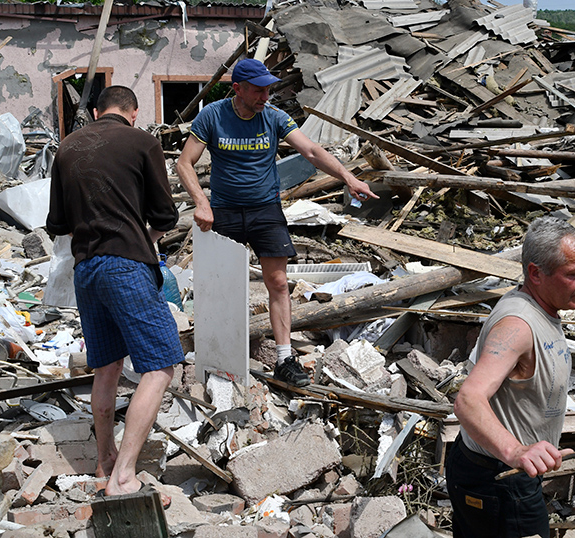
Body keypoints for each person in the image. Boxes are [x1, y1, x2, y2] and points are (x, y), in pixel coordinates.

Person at [176, 58, 377, 388]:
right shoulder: (212, 115)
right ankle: (219, 353)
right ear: (237, 89)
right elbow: (185, 163)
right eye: (258, 91)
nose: (265, 97)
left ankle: (285, 358)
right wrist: (201, 202)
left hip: (265, 209)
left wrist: (347, 177)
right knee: (222, 286)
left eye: (268, 90)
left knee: (279, 282)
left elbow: (311, 150)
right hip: (223, 210)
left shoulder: (274, 117)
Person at [47, 86, 183, 498]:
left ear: (94, 111)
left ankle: (105, 460)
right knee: (160, 365)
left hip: (85, 268)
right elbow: (164, 213)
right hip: (126, 264)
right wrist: (145, 240)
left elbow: (57, 224)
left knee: (106, 367)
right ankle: (124, 475)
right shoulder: (142, 141)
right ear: (134, 113)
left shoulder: (67, 147)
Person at [447, 216, 575, 538]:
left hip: (501, 474)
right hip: (498, 480)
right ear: (536, 274)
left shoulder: (541, 309)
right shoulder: (517, 325)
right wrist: (515, 451)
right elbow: (468, 400)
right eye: (574, 274)